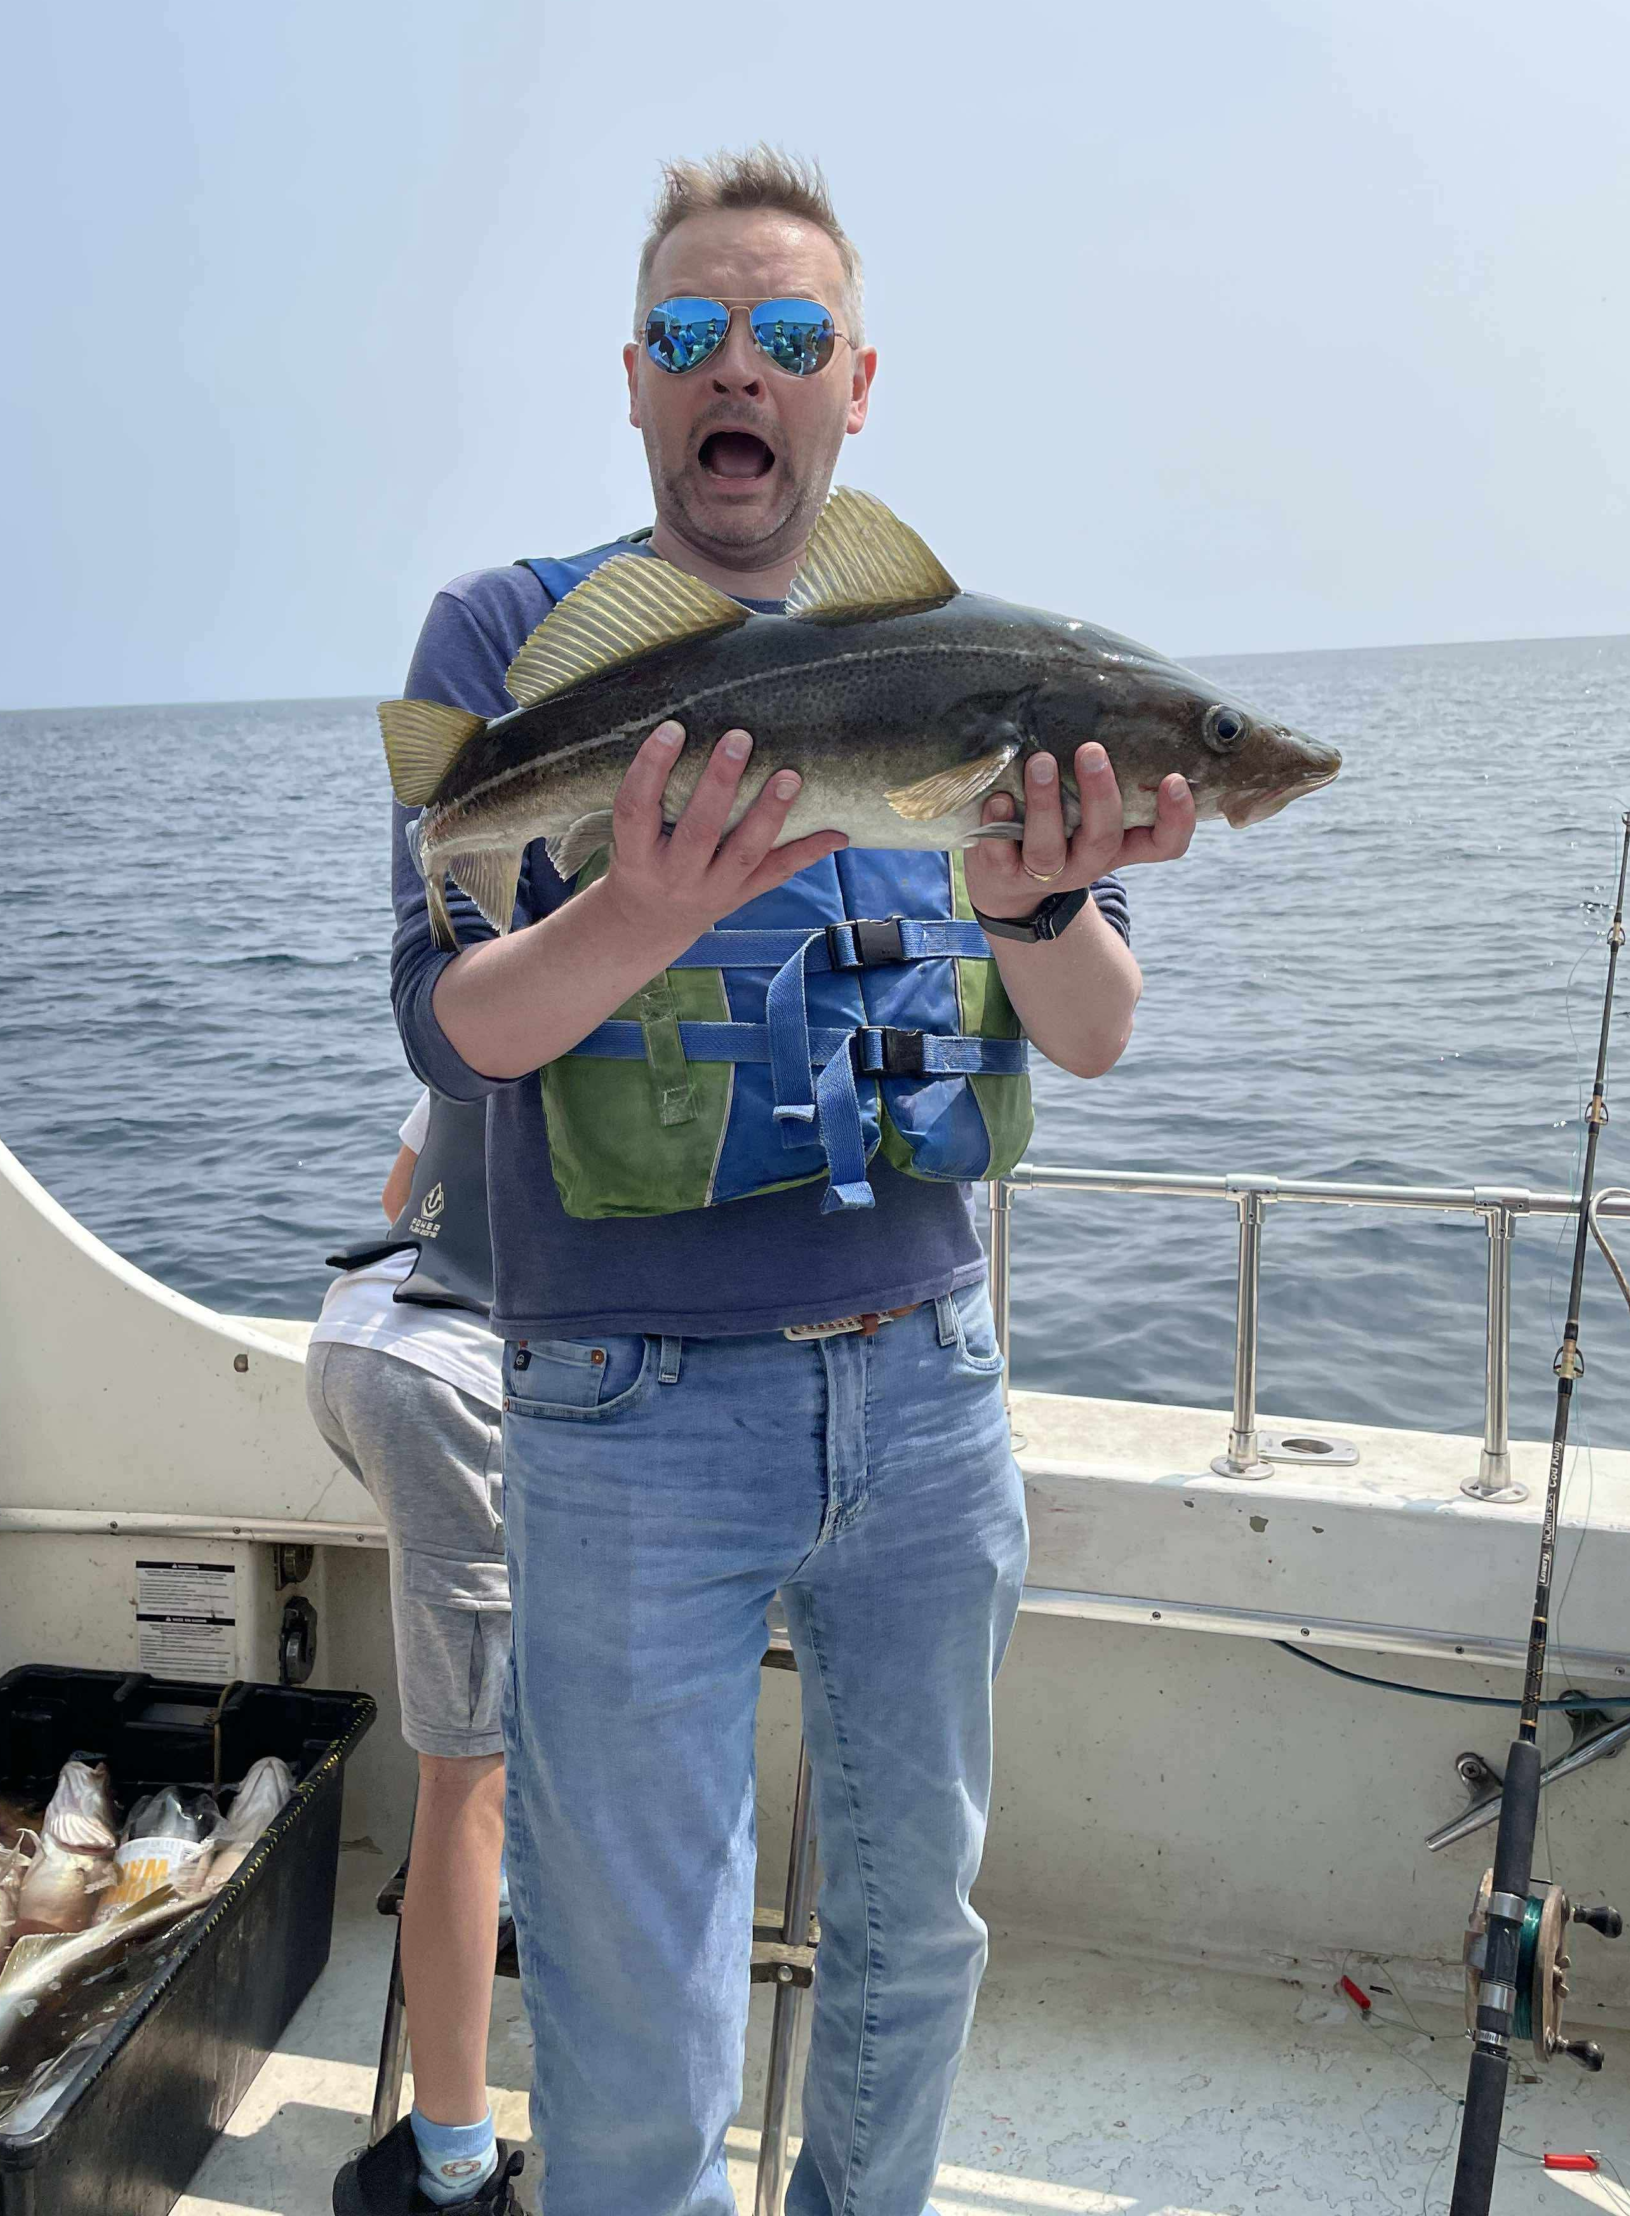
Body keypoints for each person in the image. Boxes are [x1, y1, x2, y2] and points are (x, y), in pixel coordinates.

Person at [389, 147, 1197, 2216]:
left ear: (854, 382)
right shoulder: (512, 639)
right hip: (627, 1406)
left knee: (920, 1930)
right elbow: (462, 1028)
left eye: (780, 336)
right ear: (637, 385)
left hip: (930, 1386)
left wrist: (1032, 903)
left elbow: (1092, 1029)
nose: (730, 367)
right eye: (686, 335)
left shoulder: (983, 664)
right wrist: (643, 908)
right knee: (636, 1982)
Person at [309, 1092, 524, 2215]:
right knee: (468, 1771)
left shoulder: (523, 980)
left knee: (498, 1700)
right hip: (455, 1387)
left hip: (358, 1337)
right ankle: (451, 2168)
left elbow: (406, 1196)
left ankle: (515, 1882)